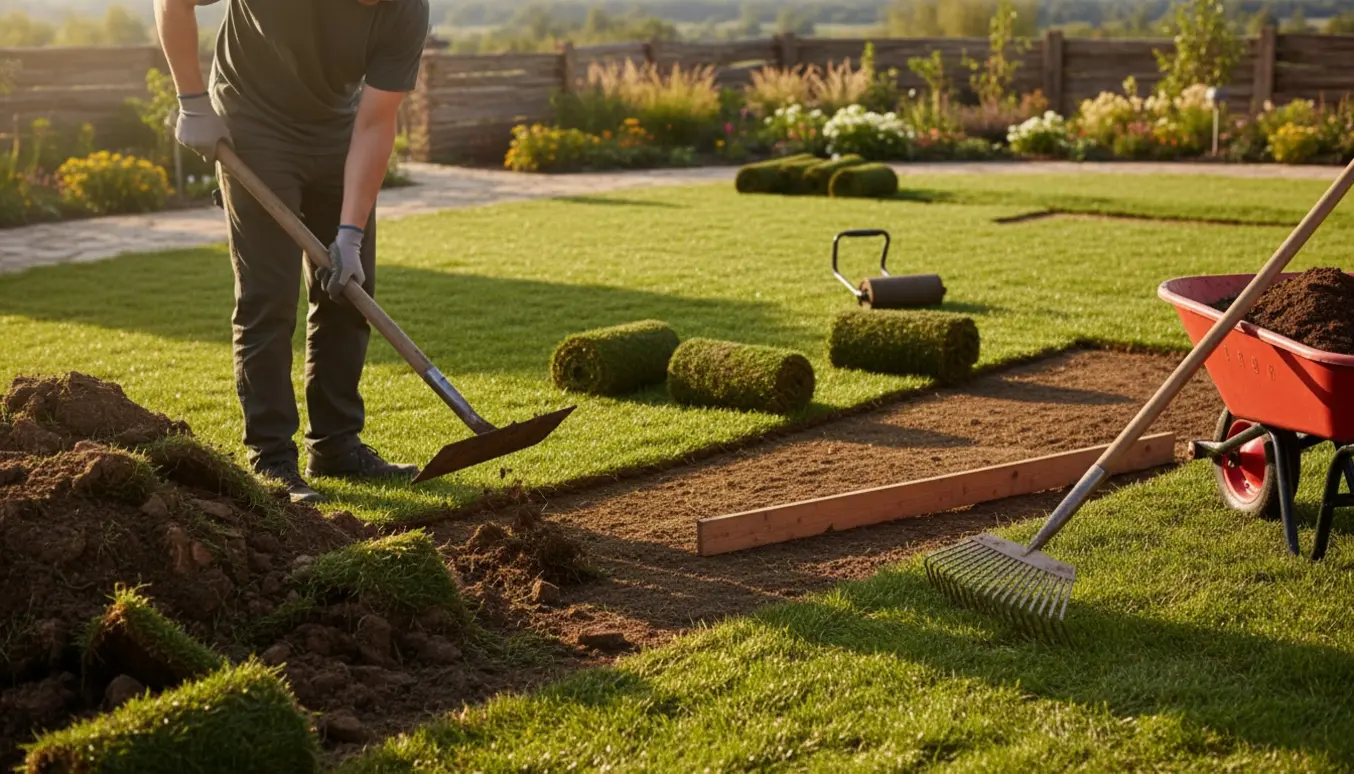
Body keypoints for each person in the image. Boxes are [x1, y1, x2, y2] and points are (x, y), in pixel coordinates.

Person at [154, 0, 430, 504]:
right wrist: (192, 100)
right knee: (269, 299)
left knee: (349, 290)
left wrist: (350, 233)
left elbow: (375, 123)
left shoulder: (406, 9)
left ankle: (336, 447)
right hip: (254, 126)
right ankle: (271, 460)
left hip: (338, 132)